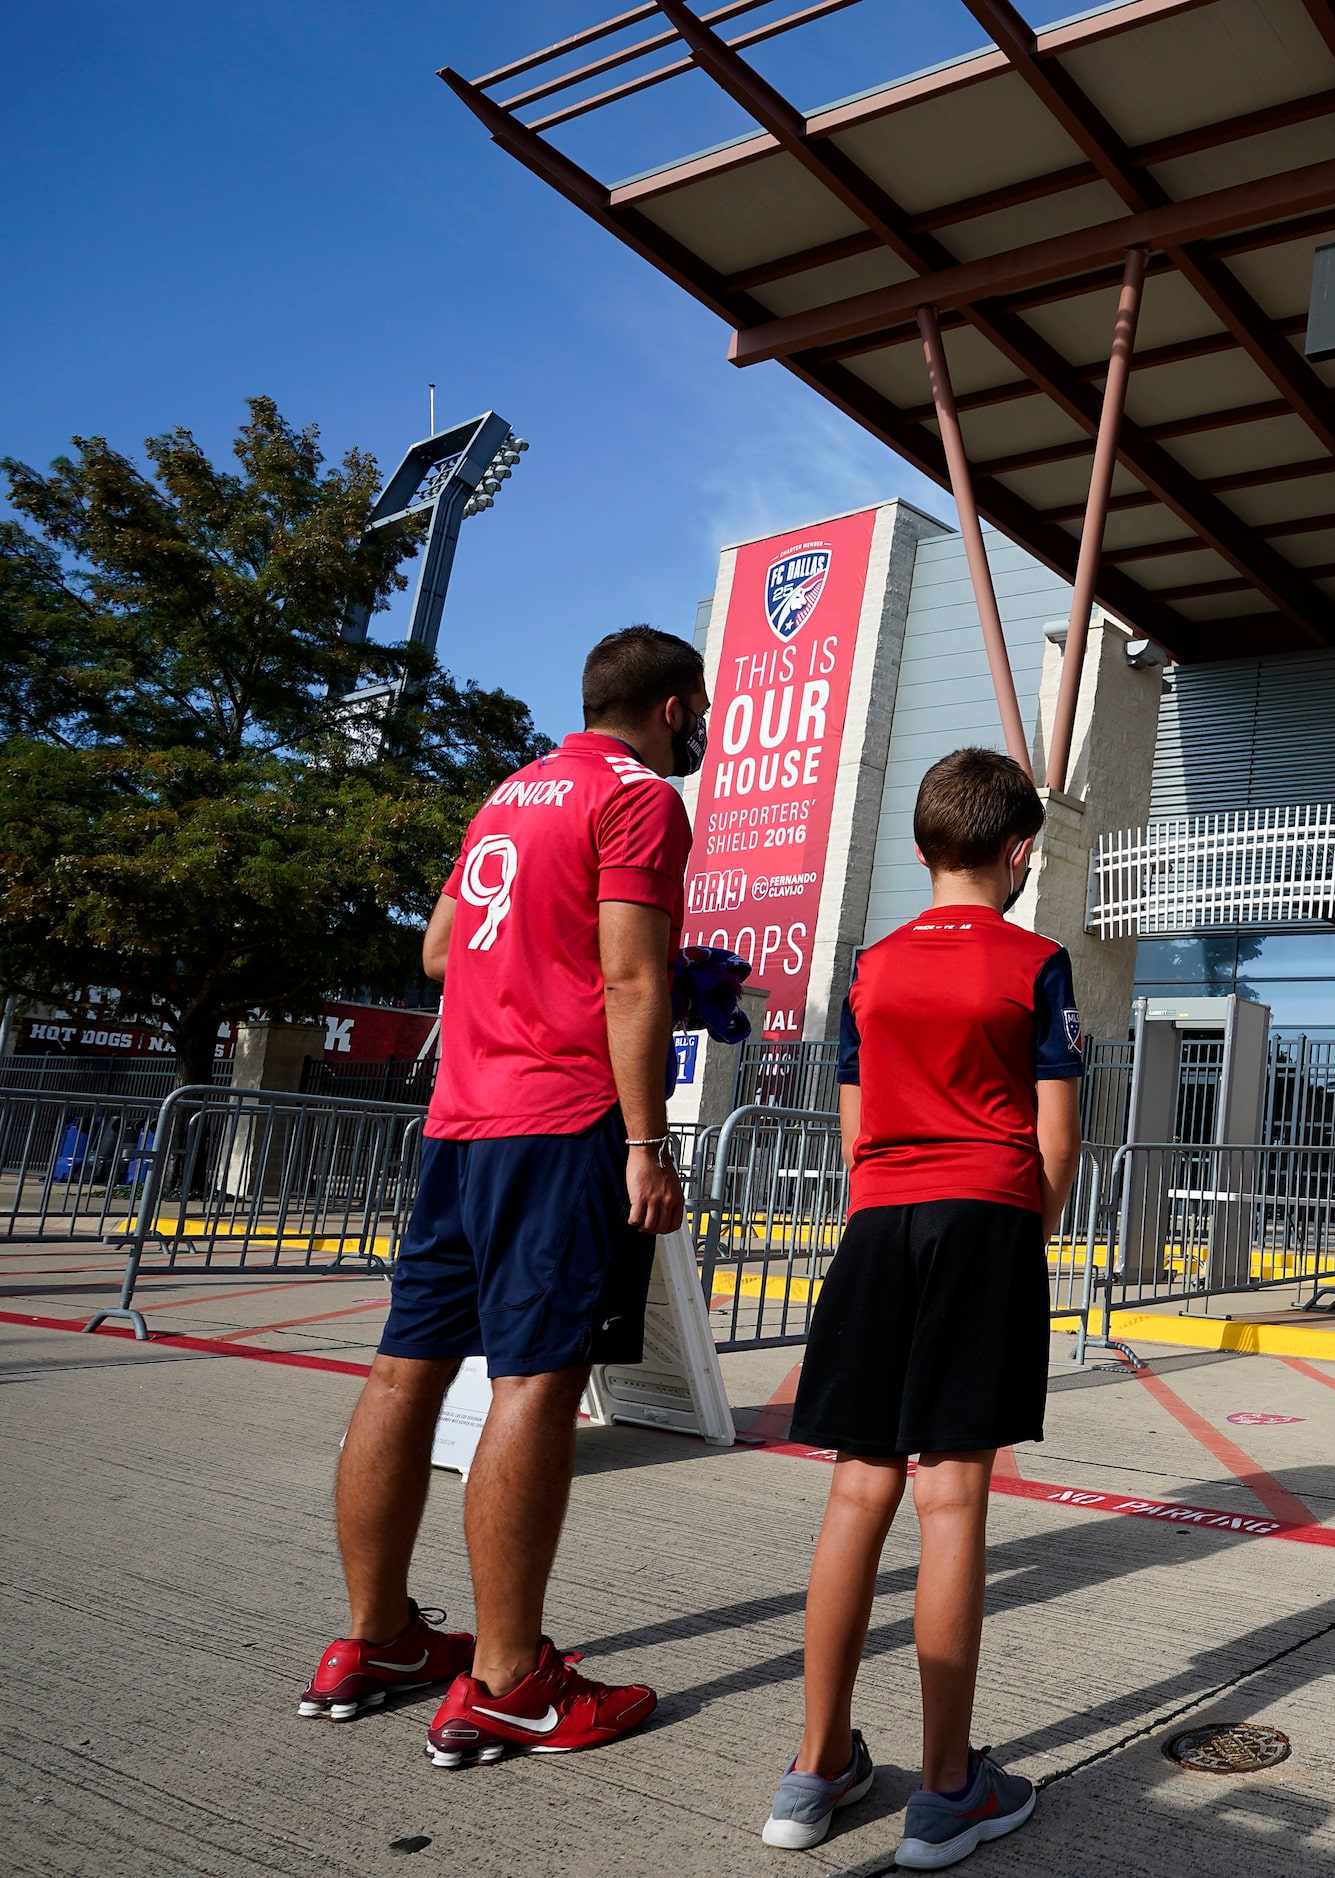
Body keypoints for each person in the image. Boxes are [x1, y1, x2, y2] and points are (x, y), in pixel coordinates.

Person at [302, 626, 705, 1768]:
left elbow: (437, 952)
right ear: (673, 707)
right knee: (538, 1378)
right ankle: (511, 1680)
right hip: (559, 1118)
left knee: (403, 1371)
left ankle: (376, 1639)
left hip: (460, 1121)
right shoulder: (636, 801)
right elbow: (631, 975)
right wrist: (647, 1141)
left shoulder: (509, 794)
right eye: (703, 705)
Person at [760, 748, 1083, 1866]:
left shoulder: (870, 968)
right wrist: (1010, 1242)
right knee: (952, 1502)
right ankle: (948, 1791)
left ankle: (813, 1772)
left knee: (857, 1492)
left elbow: (853, 1135)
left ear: (917, 847)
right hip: (985, 1219)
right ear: (1020, 850)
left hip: (878, 1223)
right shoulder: (1038, 964)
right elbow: (1059, 1140)